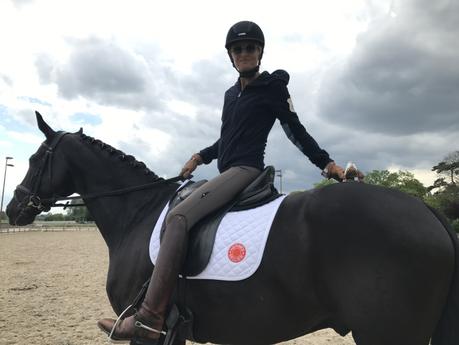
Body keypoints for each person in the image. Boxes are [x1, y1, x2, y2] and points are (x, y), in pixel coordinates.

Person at [97, 20, 345, 343]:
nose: (244, 54)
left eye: (250, 48)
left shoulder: (273, 88)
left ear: (260, 53)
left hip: (246, 171)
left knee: (179, 218)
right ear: (231, 56)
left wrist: (328, 165)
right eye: (238, 49)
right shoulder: (230, 95)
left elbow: (296, 132)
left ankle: (149, 317)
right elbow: (225, 140)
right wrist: (199, 156)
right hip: (223, 171)